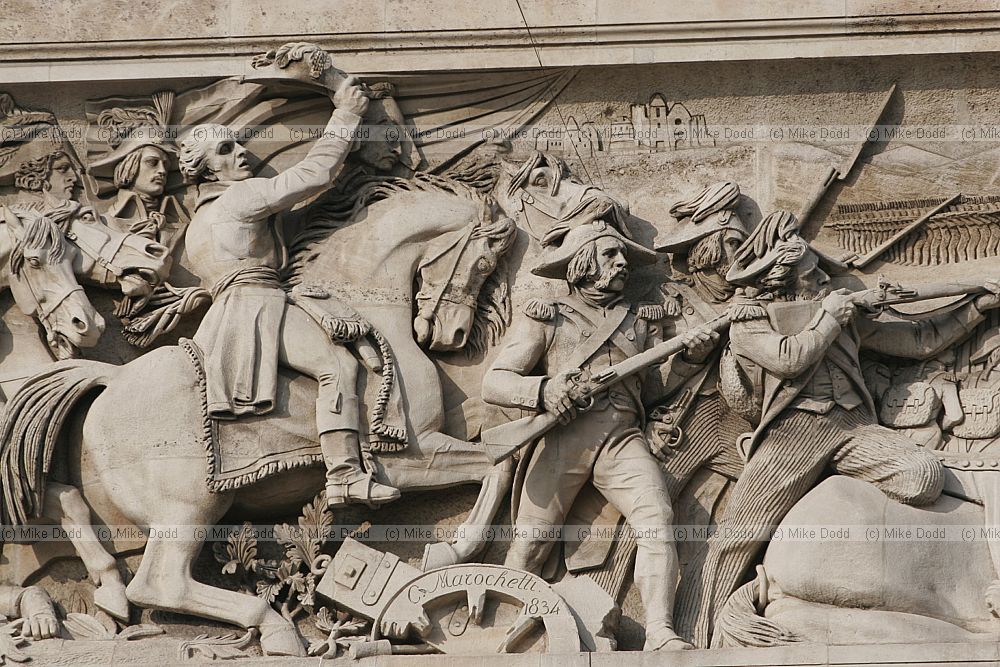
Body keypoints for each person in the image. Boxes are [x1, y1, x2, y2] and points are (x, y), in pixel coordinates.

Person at [680, 210, 1000, 647]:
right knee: (736, 537)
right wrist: (829, 317)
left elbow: (917, 341)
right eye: (813, 279)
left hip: (851, 425)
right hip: (793, 435)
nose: (824, 284)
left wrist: (978, 307)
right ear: (784, 283)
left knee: (923, 477)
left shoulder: (843, 314)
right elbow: (789, 359)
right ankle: (693, 636)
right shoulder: (749, 323)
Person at [482, 220, 718, 651]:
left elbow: (653, 388)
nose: (623, 262)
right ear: (583, 262)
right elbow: (494, 382)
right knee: (531, 543)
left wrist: (692, 357)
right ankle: (503, 633)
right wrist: (545, 389)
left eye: (622, 255)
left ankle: (661, 631)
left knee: (657, 519)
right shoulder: (547, 315)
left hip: (622, 439)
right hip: (563, 437)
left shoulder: (639, 323)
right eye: (610, 254)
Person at [179, 73, 400, 509]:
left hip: (228, 315)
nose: (241, 153)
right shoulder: (240, 199)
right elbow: (312, 174)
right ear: (207, 167)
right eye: (225, 149)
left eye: (237, 144)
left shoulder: (196, 225)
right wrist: (347, 115)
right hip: (259, 305)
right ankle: (345, 475)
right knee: (338, 363)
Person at [88, 130, 187, 247]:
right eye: (152, 162)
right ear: (129, 166)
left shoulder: (181, 221)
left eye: (165, 165)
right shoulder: (102, 225)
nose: (162, 171)